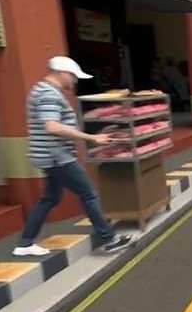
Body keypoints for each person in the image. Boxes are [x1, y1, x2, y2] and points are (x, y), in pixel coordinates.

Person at [13, 56, 132, 257]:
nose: (75, 81)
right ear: (62, 73)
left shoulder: (42, 90)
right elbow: (52, 126)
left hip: (51, 154)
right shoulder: (48, 94)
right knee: (89, 194)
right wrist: (91, 138)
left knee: (50, 198)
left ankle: (24, 243)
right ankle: (109, 239)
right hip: (56, 155)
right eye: (73, 76)